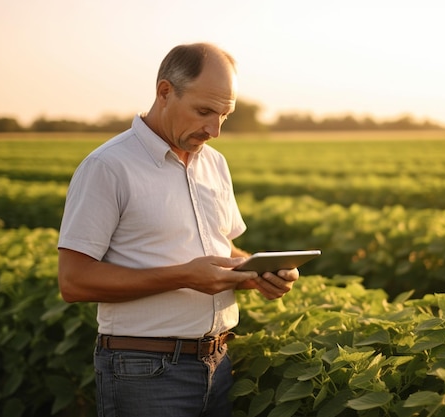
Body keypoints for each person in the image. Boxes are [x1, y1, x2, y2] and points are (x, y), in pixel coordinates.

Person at [57, 43, 300, 416]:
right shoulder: (108, 166)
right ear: (165, 92)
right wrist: (185, 276)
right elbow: (74, 282)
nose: (214, 129)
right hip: (144, 370)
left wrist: (255, 272)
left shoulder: (215, 164)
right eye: (204, 111)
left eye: (224, 115)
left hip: (218, 363)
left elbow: (221, 248)